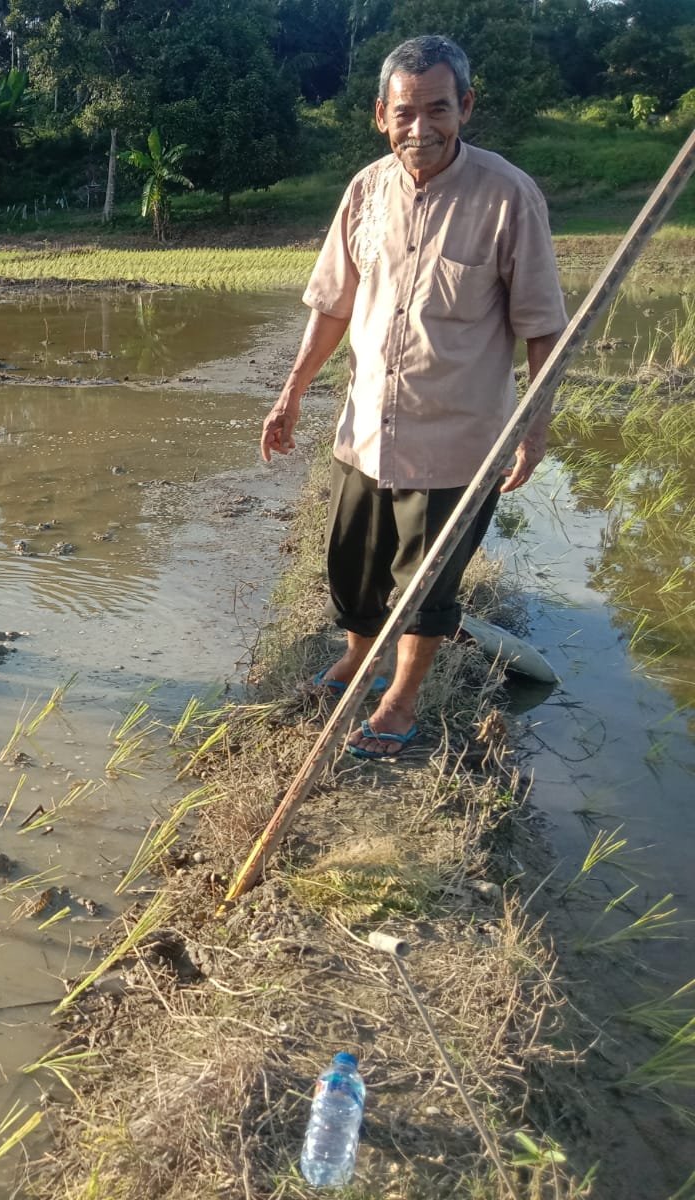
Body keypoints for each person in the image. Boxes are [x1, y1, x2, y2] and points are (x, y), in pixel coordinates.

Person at [260, 34, 566, 759]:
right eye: (405, 112)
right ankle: (355, 658)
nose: (420, 128)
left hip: (455, 441)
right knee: (353, 568)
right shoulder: (366, 191)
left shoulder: (507, 196)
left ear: (465, 106)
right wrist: (291, 393)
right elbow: (332, 305)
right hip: (365, 430)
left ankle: (399, 700)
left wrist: (535, 429)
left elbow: (543, 326)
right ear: (381, 115)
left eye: (437, 109)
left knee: (426, 588)